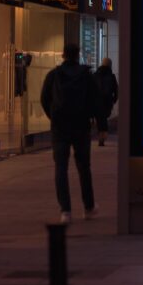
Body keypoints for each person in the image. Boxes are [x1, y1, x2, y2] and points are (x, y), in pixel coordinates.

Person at [40, 44, 100, 222]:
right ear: (77, 55)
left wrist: (54, 117)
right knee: (84, 167)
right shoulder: (86, 76)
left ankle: (65, 211)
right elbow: (95, 100)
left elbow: (44, 99)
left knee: (61, 168)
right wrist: (97, 122)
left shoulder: (54, 75)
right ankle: (88, 207)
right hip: (81, 126)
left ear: (63, 55)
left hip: (60, 128)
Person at [93, 57, 119, 146]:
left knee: (100, 119)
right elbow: (116, 90)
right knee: (103, 118)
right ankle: (103, 135)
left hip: (96, 101)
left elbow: (91, 89)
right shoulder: (111, 76)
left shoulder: (95, 75)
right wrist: (114, 100)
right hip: (107, 101)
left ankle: (102, 135)